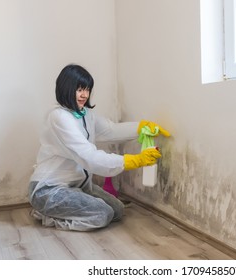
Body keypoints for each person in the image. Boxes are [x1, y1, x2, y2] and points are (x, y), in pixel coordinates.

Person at [28, 64, 170, 231]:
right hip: (50, 189)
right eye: (79, 89)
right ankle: (45, 214)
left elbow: (110, 130)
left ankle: (70, 205)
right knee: (102, 215)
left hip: (79, 186)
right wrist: (132, 161)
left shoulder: (85, 114)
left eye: (87, 90)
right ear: (66, 88)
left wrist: (142, 127)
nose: (84, 95)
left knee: (117, 210)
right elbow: (88, 155)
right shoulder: (59, 117)